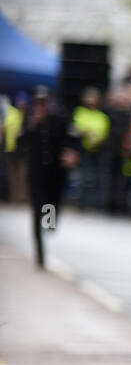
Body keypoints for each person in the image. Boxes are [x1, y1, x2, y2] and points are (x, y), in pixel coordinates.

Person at [17, 86, 77, 268]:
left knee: (51, 205)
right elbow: (20, 142)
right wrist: (33, 125)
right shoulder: (29, 119)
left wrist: (71, 153)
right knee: (37, 209)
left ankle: (49, 223)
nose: (41, 106)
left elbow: (72, 138)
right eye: (38, 102)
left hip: (55, 173)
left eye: (44, 102)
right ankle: (40, 254)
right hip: (36, 173)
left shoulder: (59, 118)